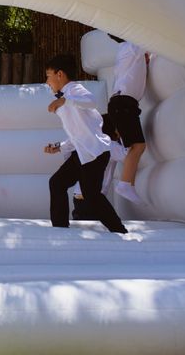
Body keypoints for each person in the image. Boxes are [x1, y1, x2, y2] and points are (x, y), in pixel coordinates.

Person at [44, 55, 127, 233]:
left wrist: (65, 101)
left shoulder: (74, 89)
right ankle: (60, 230)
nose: (47, 81)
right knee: (57, 183)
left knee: (91, 195)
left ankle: (119, 230)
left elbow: (91, 101)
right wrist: (58, 146)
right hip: (82, 153)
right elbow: (77, 135)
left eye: (48, 75)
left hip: (95, 153)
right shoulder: (66, 96)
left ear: (59, 74)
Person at [107, 35, 148, 204]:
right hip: (124, 103)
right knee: (137, 146)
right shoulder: (133, 45)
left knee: (133, 146)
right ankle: (125, 184)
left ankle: (127, 184)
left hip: (121, 103)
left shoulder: (125, 50)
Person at [71, 114, 127, 220]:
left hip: (79, 196)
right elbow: (128, 156)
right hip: (91, 199)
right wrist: (126, 136)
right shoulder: (110, 145)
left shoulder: (91, 142)